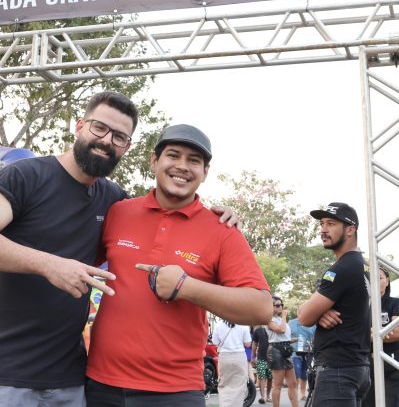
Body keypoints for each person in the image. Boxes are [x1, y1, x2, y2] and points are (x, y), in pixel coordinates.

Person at [0, 93, 238, 406]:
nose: (106, 141)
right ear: (79, 126)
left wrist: (218, 215)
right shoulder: (25, 175)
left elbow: (162, 210)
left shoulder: (114, 201)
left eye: (119, 137)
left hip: (70, 379)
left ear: (127, 147)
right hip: (0, 373)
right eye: (99, 128)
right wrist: (50, 265)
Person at [84, 124, 271, 406]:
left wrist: (187, 287)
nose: (182, 166)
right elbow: (74, 261)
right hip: (100, 385)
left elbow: (262, 308)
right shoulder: (118, 212)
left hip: (175, 391)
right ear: (154, 160)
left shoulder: (222, 230)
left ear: (205, 172)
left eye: (194, 160)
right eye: (173, 155)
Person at [297, 203, 372, 407]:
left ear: (350, 230)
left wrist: (314, 312)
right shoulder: (362, 265)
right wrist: (319, 312)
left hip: (339, 370)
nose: (323, 229)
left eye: (331, 224)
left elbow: (304, 317)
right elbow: (308, 312)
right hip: (356, 368)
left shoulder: (342, 268)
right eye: (322, 224)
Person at [362, 267, 399, 407]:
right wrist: (380, 333)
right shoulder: (359, 306)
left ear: (387, 281)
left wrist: (367, 334)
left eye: (380, 277)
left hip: (392, 362)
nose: (375, 281)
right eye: (371, 278)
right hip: (364, 364)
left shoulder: (396, 303)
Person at [267, 297, 299, 407]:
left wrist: (293, 340)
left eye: (281, 304)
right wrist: (284, 316)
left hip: (286, 349)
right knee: (278, 384)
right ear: (270, 307)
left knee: (293, 383)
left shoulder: (280, 319)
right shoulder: (268, 319)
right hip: (275, 350)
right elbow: (281, 330)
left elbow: (283, 336)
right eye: (277, 305)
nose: (280, 307)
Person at [212, 319, 252, 407]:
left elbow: (215, 342)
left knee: (224, 384)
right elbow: (248, 344)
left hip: (224, 356)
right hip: (239, 356)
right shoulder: (243, 323)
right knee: (239, 385)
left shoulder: (219, 324)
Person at [288, 311, 315, 401]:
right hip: (295, 353)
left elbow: (316, 336)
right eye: (301, 312)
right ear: (297, 313)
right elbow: (285, 336)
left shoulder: (312, 323)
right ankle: (295, 393)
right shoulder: (291, 323)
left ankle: (302, 395)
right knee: (296, 374)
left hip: (308, 352)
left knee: (304, 374)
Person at [251, 325, 271, 404]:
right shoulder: (257, 331)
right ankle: (262, 397)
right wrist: (253, 357)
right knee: (262, 376)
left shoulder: (273, 329)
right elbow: (254, 344)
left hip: (272, 358)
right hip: (261, 357)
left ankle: (268, 396)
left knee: (270, 378)